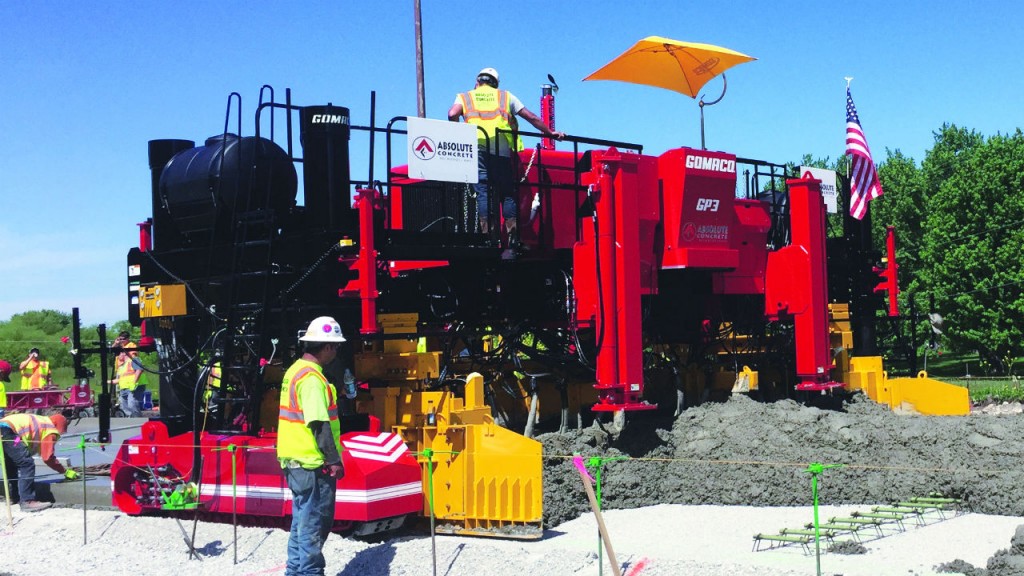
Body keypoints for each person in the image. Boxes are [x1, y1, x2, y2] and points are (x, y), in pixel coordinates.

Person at [448, 67, 566, 254]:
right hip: (501, 152)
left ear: (478, 82)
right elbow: (531, 117)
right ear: (496, 83)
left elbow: (452, 114)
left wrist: (459, 131)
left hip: (477, 150)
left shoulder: (465, 97)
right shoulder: (505, 97)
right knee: (508, 194)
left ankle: (488, 237)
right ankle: (512, 236)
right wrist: (550, 133)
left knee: (483, 191)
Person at [277, 316, 346, 576]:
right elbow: (319, 424)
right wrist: (334, 460)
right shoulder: (312, 379)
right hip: (312, 464)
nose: (336, 352)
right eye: (335, 346)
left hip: (295, 461)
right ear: (326, 347)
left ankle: (294, 573)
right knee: (314, 526)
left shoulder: (294, 371)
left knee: (301, 524)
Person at [0, 413, 78, 512]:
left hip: (5, 430)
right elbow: (47, 457)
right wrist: (65, 471)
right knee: (27, 463)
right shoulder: (49, 429)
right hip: (8, 432)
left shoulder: (41, 420)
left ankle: (13, 497)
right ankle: (27, 501)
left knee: (12, 462)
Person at [110, 332, 144, 417]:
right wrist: (116, 343)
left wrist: (134, 381)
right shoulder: (120, 346)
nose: (121, 341)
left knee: (132, 402)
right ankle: (129, 416)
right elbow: (111, 350)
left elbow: (134, 358)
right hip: (122, 371)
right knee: (122, 400)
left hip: (131, 373)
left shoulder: (131, 345)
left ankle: (135, 417)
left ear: (127, 339)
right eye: (120, 339)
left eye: (123, 339)